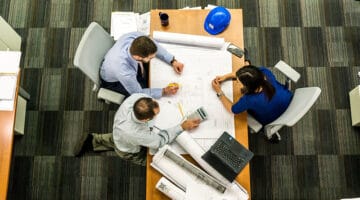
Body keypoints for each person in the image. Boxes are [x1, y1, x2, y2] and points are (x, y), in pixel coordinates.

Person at [75, 93, 201, 166]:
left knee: (116, 138)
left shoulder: (137, 98)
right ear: (145, 120)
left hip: (119, 132)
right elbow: (160, 141)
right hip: (128, 149)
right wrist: (181, 126)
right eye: (156, 114)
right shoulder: (137, 134)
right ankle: (95, 142)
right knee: (154, 161)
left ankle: (93, 140)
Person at [211, 65, 293, 143]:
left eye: (238, 82)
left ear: (248, 87)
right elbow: (248, 72)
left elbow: (232, 109)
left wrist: (219, 92)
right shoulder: (265, 72)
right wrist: (225, 76)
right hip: (289, 102)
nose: (236, 82)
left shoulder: (249, 99)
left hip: (272, 119)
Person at [100, 32, 184, 99]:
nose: (153, 57)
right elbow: (137, 93)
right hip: (113, 82)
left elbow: (154, 45)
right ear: (138, 57)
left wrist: (172, 61)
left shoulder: (136, 37)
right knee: (144, 91)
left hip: (112, 61)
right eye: (151, 57)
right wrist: (164, 91)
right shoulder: (125, 72)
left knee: (148, 77)